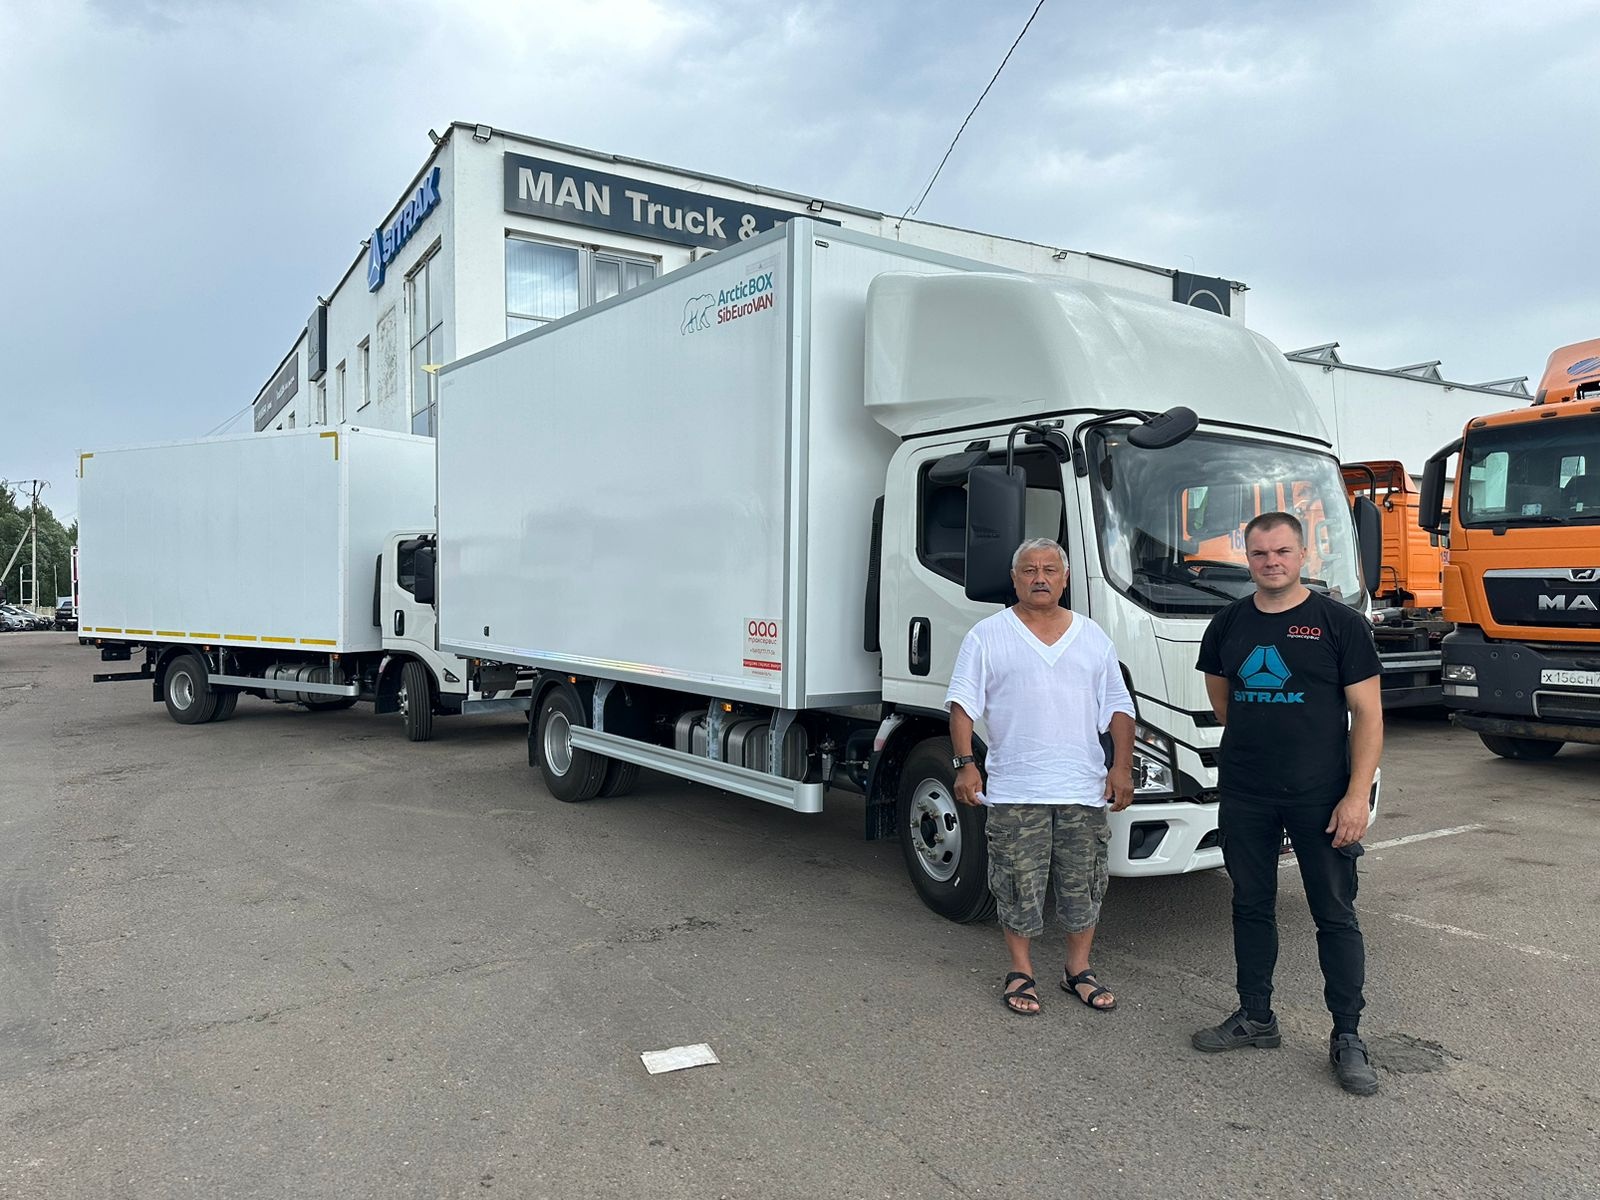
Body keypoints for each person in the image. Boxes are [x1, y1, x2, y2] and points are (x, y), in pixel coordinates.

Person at [1192, 511, 1384, 1095]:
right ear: (1246, 559)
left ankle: (1347, 1035)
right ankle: (1256, 1017)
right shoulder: (1227, 624)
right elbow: (1224, 701)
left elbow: (1368, 716)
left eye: (1281, 551)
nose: (1271, 562)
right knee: (1251, 906)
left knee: (1334, 914)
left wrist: (1356, 796)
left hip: (1320, 796)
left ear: (1303, 555)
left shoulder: (1339, 624)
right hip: (1246, 792)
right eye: (1259, 553)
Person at [945, 538, 1135, 1016]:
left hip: (1082, 789)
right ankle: (1021, 972)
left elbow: (1119, 707)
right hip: (1015, 789)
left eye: (1050, 569)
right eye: (1029, 570)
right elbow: (963, 704)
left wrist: (1121, 767)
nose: (1040, 578)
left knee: (1083, 883)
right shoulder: (987, 636)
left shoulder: (1092, 637)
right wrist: (965, 763)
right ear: (1014, 579)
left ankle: (1078, 970)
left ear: (1065, 578)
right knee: (1016, 883)